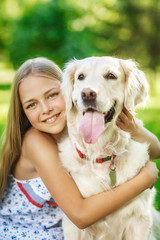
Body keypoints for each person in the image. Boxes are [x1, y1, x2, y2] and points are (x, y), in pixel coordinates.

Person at [0, 57, 158, 240]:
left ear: (66, 91)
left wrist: (134, 129)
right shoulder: (36, 141)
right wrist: (144, 179)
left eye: (52, 95)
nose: (45, 109)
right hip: (28, 234)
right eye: (31, 105)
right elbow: (81, 215)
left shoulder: (76, 128)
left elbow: (156, 150)